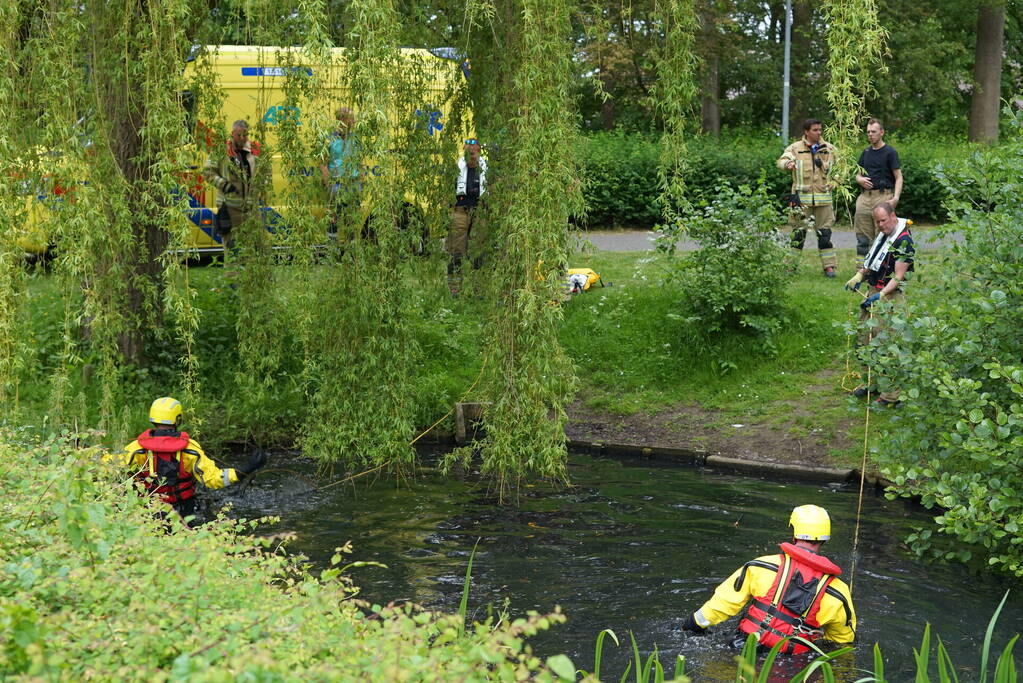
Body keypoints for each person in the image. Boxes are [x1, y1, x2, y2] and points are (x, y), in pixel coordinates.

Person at [681, 504, 856, 655]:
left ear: (794, 533)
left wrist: (691, 624)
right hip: (793, 663)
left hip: (744, 650)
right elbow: (842, 641)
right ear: (825, 540)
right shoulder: (838, 591)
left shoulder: (761, 566)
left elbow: (722, 604)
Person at [111, 397, 267, 525]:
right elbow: (214, 479)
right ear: (177, 419)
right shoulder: (190, 450)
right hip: (184, 510)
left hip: (147, 510)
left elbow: (109, 468)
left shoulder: (136, 449)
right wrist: (246, 468)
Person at [844, 202, 914, 406]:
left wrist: (881, 294)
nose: (881, 225)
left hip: (890, 297)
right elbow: (873, 260)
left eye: (883, 220)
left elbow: (898, 276)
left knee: (886, 344)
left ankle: (891, 396)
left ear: (893, 216)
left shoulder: (904, 241)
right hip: (872, 292)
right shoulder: (884, 234)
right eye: (878, 222)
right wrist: (859, 275)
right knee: (865, 339)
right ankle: (871, 383)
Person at [777, 119, 839, 277]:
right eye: (815, 130)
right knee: (798, 234)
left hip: (824, 201)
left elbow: (841, 170)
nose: (819, 132)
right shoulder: (795, 148)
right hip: (801, 201)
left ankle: (829, 267)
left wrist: (835, 182)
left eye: (820, 129)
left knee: (825, 235)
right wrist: (787, 164)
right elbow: (781, 161)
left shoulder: (829, 149)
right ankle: (791, 266)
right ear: (806, 131)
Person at [203, 120, 262, 251]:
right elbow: (208, 172)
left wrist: (262, 186)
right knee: (232, 250)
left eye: (245, 135)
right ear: (232, 133)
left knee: (253, 249)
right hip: (229, 207)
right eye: (238, 135)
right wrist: (224, 185)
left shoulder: (255, 149)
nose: (242, 138)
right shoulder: (221, 150)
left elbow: (265, 171)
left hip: (251, 208)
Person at [854, 119, 903, 258]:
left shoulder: (890, 152)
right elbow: (857, 174)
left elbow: (899, 177)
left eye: (873, 132)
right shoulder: (866, 152)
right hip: (864, 198)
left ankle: (881, 268)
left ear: (882, 132)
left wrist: (895, 198)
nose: (870, 134)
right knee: (863, 239)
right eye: (868, 132)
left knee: (882, 236)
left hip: (882, 197)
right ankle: (862, 268)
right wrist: (860, 179)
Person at [445, 138, 488, 297]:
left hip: (480, 211)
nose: (472, 155)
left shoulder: (486, 168)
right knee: (456, 250)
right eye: (469, 152)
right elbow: (447, 191)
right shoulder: (457, 168)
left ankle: (479, 287)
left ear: (479, 151)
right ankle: (455, 288)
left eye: (474, 151)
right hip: (460, 211)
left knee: (479, 251)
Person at [320, 107, 360, 238]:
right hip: (336, 184)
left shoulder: (355, 138)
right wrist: (328, 184)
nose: (354, 121)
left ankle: (351, 247)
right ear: (342, 120)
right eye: (351, 119)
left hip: (353, 184)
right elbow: (323, 163)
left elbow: (360, 160)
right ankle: (332, 246)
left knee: (352, 218)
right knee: (333, 218)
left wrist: (361, 180)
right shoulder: (329, 139)